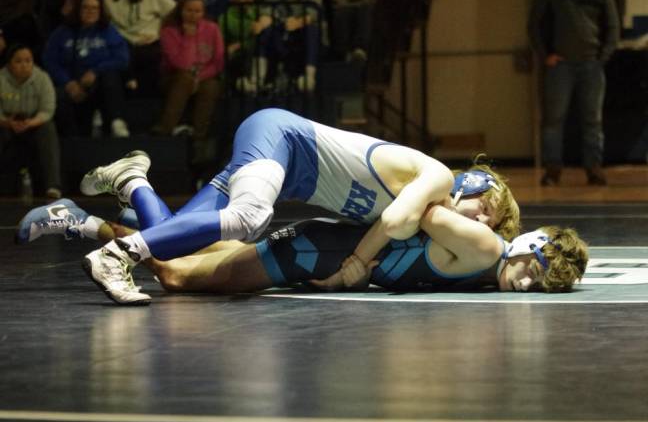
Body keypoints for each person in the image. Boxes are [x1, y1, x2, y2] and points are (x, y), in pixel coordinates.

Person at [78, 108, 520, 304]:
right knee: (249, 218)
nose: (483, 222)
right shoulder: (437, 178)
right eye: (487, 209)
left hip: (280, 166)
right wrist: (355, 265)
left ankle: (132, 179)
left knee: (176, 247)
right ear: (473, 185)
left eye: (491, 223)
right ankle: (115, 255)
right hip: (281, 137)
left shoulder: (432, 208)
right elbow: (395, 221)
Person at [15, 198, 588, 305]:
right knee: (177, 278)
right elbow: (429, 213)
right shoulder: (487, 247)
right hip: (317, 254)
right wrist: (359, 266)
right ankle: (89, 219)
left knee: (205, 247)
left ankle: (133, 198)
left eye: (541, 287)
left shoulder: (491, 269)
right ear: (529, 245)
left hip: (325, 247)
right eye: (535, 273)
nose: (528, 286)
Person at [528, 0, 620, 186]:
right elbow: (534, 24)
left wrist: (603, 57)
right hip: (560, 65)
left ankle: (594, 169)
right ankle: (552, 170)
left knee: (593, 120)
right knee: (553, 119)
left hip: (592, 63)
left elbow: (613, 26)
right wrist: (545, 55)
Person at [43, 0, 131, 138]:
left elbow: (122, 58)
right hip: (69, 84)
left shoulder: (108, 30)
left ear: (100, 11)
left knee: (110, 76)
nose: (90, 12)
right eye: (86, 7)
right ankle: (70, 139)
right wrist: (67, 83)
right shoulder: (62, 32)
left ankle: (116, 121)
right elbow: (50, 60)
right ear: (78, 9)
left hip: (97, 84)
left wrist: (96, 71)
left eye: (95, 8)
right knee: (57, 96)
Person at [152, 0, 225, 165]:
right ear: (181, 11)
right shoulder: (169, 31)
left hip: (205, 76)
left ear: (203, 12)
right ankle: (166, 129)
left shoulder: (212, 29)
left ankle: (199, 138)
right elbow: (179, 63)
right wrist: (189, 38)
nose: (193, 15)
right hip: (173, 78)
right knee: (184, 78)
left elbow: (218, 62)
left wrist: (198, 78)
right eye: (189, 11)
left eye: (197, 11)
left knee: (212, 87)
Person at [0, 44, 62, 199]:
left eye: (28, 60)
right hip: (6, 123)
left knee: (48, 129)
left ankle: (53, 186)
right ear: (9, 63)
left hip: (34, 123)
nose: (24, 65)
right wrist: (6, 122)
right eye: (18, 61)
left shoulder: (42, 78)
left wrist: (30, 122)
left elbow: (48, 110)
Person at [238, 0, 324, 92]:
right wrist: (261, 24)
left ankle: (309, 78)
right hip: (279, 37)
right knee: (264, 31)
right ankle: (256, 81)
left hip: (300, 38)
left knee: (311, 30)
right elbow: (266, 14)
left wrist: (298, 23)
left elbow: (313, 13)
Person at [103, 0, 176, 97]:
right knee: (118, 53)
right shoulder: (108, 0)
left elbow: (176, 12)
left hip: (149, 39)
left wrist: (162, 31)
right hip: (122, 39)